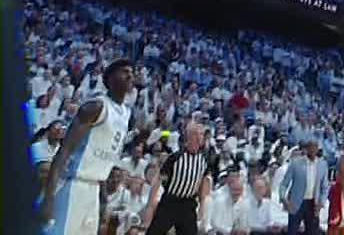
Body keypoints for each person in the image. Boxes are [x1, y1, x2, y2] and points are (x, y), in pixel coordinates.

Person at [41, 59, 135, 235]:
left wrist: (103, 199)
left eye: (132, 72)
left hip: (95, 188)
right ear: (110, 79)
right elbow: (64, 150)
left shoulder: (126, 113)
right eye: (124, 71)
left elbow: (105, 161)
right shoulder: (96, 106)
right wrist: (49, 196)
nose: (130, 75)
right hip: (74, 185)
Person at [145, 120, 218, 235]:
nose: (200, 137)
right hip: (170, 202)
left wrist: (202, 205)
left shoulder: (204, 160)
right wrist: (150, 206)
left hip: (188, 204)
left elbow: (203, 183)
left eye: (202, 134)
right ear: (189, 136)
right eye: (197, 134)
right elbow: (159, 180)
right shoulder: (175, 157)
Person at [278, 138, 327, 235]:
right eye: (310, 147)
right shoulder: (295, 163)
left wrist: (321, 202)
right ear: (306, 149)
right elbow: (284, 184)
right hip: (296, 203)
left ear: (317, 149)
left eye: (315, 147)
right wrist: (284, 199)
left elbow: (324, 187)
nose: (313, 150)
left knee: (313, 232)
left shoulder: (322, 165)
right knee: (292, 231)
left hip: (313, 204)